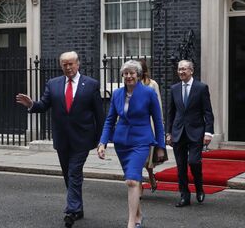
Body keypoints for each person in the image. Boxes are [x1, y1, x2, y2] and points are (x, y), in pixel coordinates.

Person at [16, 51, 104, 228]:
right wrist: (32, 104)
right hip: (62, 138)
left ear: (78, 64)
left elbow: (99, 114)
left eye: (71, 63)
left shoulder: (91, 84)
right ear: (61, 66)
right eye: (65, 64)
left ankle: (71, 210)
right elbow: (43, 105)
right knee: (68, 174)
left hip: (83, 138)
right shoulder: (53, 84)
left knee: (73, 172)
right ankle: (78, 208)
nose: (68, 67)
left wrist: (102, 140)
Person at [97, 60, 165, 228]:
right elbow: (110, 120)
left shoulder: (149, 93)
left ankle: (130, 222)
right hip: (121, 143)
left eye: (132, 73)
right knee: (132, 179)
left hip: (141, 142)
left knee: (132, 182)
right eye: (126, 73)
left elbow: (158, 121)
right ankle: (139, 215)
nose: (128, 76)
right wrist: (102, 142)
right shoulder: (117, 94)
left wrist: (160, 146)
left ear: (139, 74)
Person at [166, 60, 214, 208]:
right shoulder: (174, 89)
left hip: (196, 132)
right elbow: (171, 112)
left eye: (184, 69)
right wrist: (168, 132)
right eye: (179, 69)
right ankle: (184, 196)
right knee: (180, 166)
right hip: (178, 132)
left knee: (194, 162)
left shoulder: (201, 88)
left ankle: (199, 187)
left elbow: (208, 112)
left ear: (191, 71)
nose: (181, 72)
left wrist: (208, 133)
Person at [138, 59, 163, 192]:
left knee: (148, 157)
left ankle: (151, 175)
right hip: (134, 126)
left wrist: (161, 125)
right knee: (137, 157)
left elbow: (158, 107)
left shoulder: (152, 84)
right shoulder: (130, 84)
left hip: (149, 124)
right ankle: (138, 184)